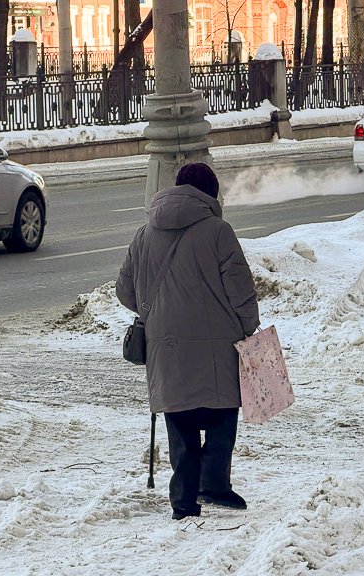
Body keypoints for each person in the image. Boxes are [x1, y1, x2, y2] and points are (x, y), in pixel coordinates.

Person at [116, 162, 260, 521]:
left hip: (166, 347)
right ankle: (213, 484)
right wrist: (248, 326)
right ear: (210, 194)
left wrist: (158, 312)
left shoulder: (143, 234)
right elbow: (240, 289)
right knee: (222, 412)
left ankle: (183, 500)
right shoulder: (219, 231)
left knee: (179, 420)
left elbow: (124, 289)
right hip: (218, 345)